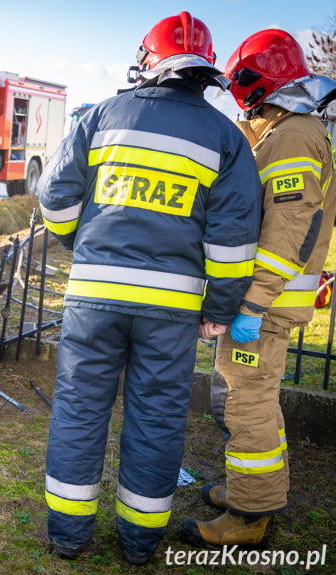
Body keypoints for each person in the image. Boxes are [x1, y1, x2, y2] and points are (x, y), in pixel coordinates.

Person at [38, 12, 262, 565]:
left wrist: (81, 246)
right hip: (172, 310)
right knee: (158, 416)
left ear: (149, 61)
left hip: (93, 298)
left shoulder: (101, 116)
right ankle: (140, 542)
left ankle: (68, 534)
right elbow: (233, 241)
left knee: (79, 408)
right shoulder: (227, 139)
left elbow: (56, 201)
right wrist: (220, 307)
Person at [180, 29, 336, 548]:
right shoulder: (286, 129)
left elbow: (286, 232)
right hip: (266, 303)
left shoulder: (294, 136)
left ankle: (250, 514)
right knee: (255, 400)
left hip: (264, 307)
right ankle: (253, 489)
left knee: (244, 402)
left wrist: (251, 302)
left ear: (255, 81)